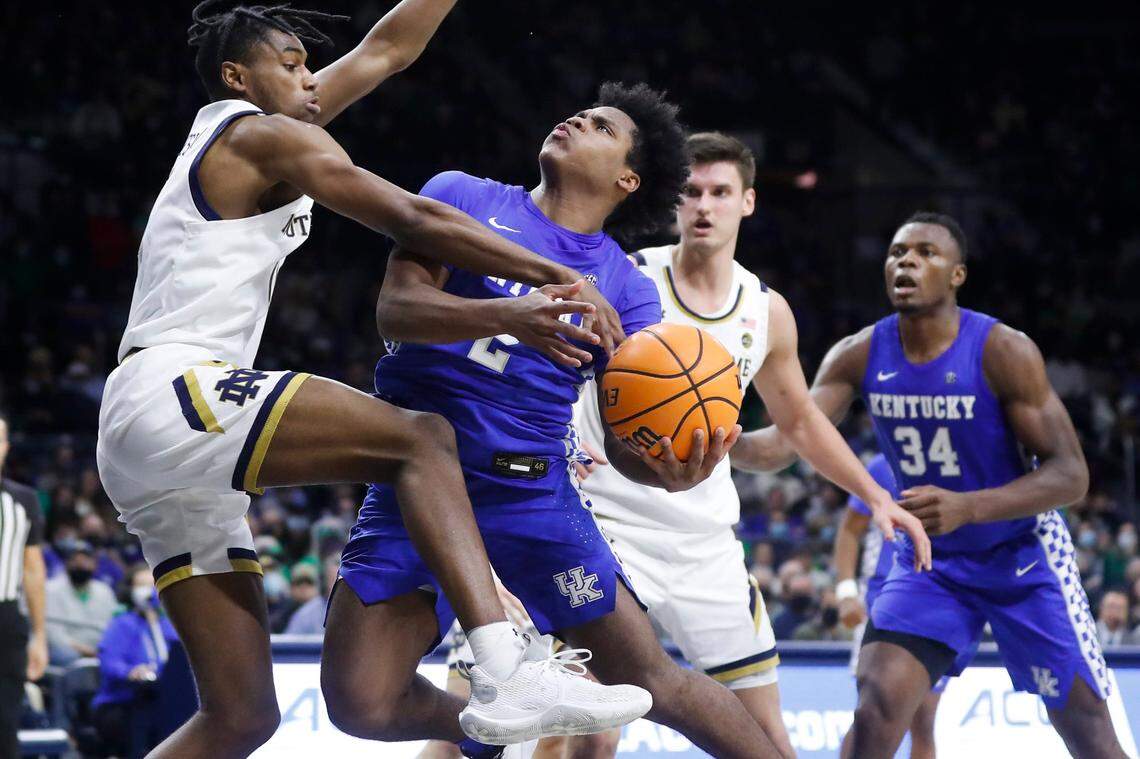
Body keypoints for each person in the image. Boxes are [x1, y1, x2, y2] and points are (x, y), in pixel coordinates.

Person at [95, 2, 632, 756]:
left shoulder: (279, 125)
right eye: (291, 64)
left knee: (239, 718)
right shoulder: (257, 131)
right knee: (419, 439)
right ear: (236, 76)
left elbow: (385, 49)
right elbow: (412, 215)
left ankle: (499, 718)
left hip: (159, 455)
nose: (310, 78)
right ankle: (504, 663)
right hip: (173, 391)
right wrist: (558, 275)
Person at [323, 84, 818, 759]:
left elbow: (625, 441)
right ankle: (503, 716)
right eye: (581, 112)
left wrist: (671, 471)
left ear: (627, 178)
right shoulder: (463, 194)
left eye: (601, 125)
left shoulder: (625, 288)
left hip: (528, 496)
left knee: (652, 679)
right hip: (416, 480)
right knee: (360, 701)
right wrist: (508, 314)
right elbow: (397, 311)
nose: (577, 117)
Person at [560, 132, 930, 759]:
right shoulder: (626, 276)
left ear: (748, 202)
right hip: (607, 524)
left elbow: (802, 423)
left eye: (720, 193)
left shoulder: (764, 310)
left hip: (703, 541)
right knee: (593, 730)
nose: (704, 206)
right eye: (692, 192)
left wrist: (877, 497)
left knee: (765, 740)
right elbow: (560, 373)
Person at [737, 212, 1128, 758]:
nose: (907, 262)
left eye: (926, 253)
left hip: (1021, 558)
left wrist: (969, 507)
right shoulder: (859, 353)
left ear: (957, 275)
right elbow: (785, 442)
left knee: (1087, 730)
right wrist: (722, 438)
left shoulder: (1003, 350)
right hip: (930, 564)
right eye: (898, 252)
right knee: (875, 707)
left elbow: (1071, 475)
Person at [834, 453, 974, 759]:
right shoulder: (882, 466)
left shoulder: (960, 461)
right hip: (882, 600)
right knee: (869, 714)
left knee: (923, 719)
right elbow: (849, 530)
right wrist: (846, 592)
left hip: (941, 597)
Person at [91, 566, 180, 758]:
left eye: (152, 585)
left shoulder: (169, 624)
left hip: (163, 699)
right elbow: (109, 662)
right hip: (122, 702)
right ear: (130, 590)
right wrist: (130, 671)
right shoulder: (121, 623)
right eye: (141, 585)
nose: (148, 591)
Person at [0, 412, 49, 758]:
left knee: (5, 724)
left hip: (6, 620)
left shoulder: (23, 500)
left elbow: (33, 570)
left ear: (6, 447)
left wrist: (40, 636)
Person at [45, 540, 117, 665]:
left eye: (85, 560)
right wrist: (87, 651)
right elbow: (53, 633)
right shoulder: (51, 589)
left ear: (94, 564)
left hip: (101, 648)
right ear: (66, 563)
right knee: (63, 653)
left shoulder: (104, 590)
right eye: (75, 560)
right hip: (68, 650)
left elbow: (112, 625)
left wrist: (104, 649)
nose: (80, 564)